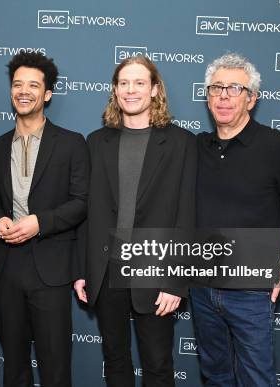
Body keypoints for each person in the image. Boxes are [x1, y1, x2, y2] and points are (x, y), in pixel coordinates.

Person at [191, 53, 280, 386]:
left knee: (256, 379)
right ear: (207, 96)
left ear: (252, 98)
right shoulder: (195, 147)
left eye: (235, 88)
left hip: (250, 292)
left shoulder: (275, 147)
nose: (224, 96)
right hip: (201, 289)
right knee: (215, 376)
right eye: (216, 87)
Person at [74, 55, 196, 387]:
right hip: (106, 269)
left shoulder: (181, 143)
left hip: (155, 270)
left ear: (155, 89)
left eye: (140, 83)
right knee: (115, 359)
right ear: (114, 90)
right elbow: (88, 213)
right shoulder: (96, 142)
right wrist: (82, 271)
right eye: (123, 83)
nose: (131, 90)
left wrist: (175, 280)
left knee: (157, 364)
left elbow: (186, 215)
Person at [0, 52, 90, 387]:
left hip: (51, 266)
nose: (24, 91)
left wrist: (39, 223)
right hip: (6, 269)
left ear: (47, 94)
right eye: (17, 85)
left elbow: (81, 203)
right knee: (14, 364)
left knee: (55, 364)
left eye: (33, 85)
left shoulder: (72, 143)